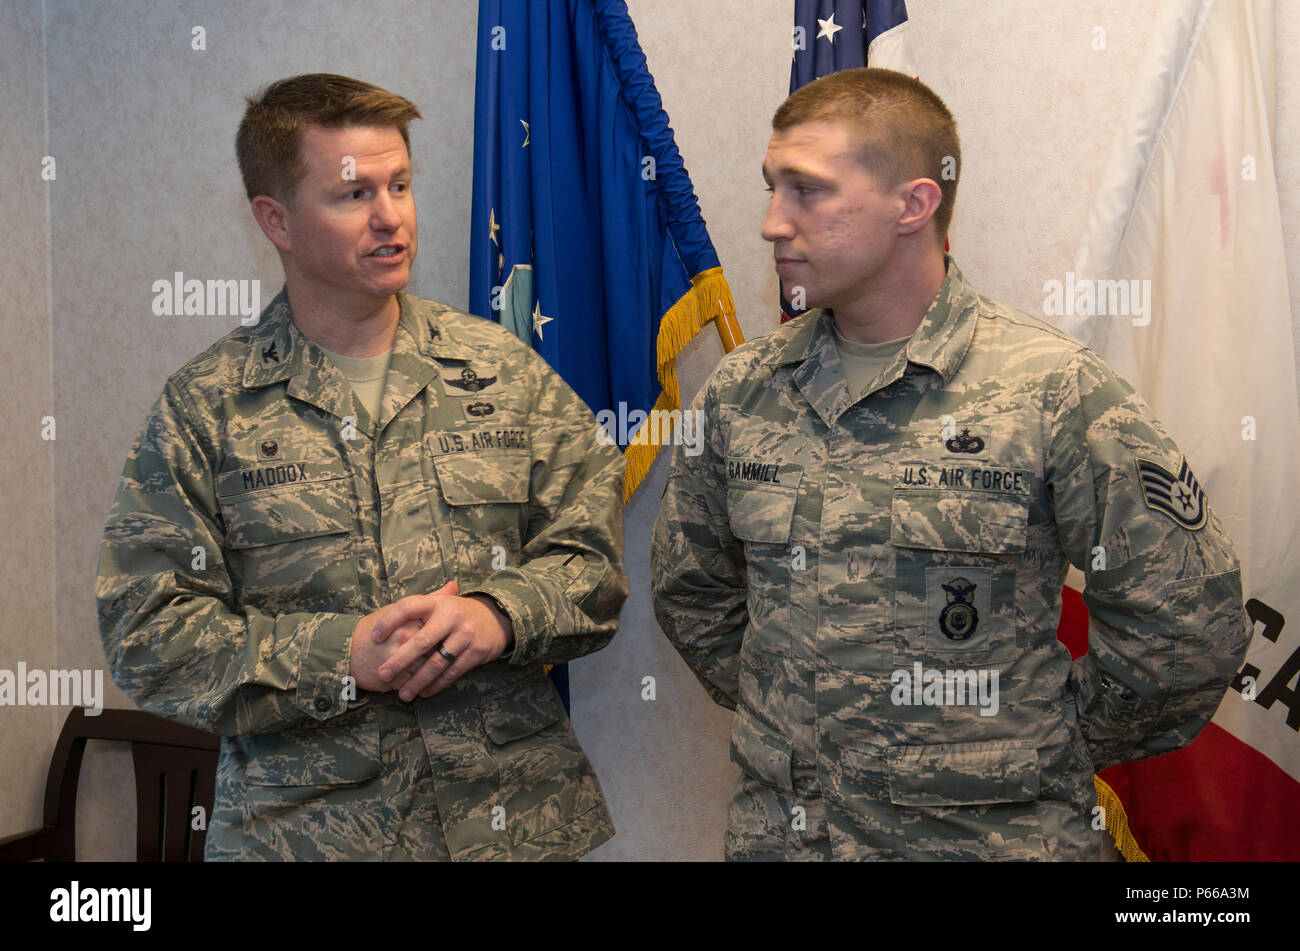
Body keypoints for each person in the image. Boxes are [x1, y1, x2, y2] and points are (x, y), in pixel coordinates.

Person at [650, 68, 1250, 861]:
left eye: (807, 191)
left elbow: (1187, 627)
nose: (770, 223)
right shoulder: (744, 391)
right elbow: (692, 591)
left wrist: (1041, 741)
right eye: (772, 189)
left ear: (914, 204)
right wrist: (813, 716)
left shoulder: (1051, 390)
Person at [96, 73, 627, 861]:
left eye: (401, 185)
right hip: (309, 837)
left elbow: (594, 558)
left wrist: (498, 612)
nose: (391, 219)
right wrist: (339, 654)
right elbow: (149, 633)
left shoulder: (500, 371)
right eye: (353, 196)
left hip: (513, 826)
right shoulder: (208, 409)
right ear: (275, 219)